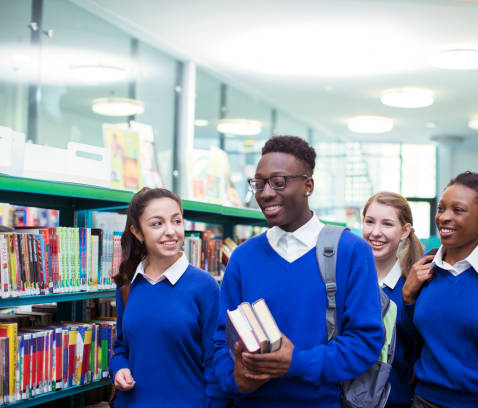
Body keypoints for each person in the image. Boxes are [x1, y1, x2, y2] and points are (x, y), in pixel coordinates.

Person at [212, 135, 384, 407]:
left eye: (278, 182)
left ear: (308, 185)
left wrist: (297, 363)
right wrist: (235, 379)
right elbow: (220, 341)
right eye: (259, 183)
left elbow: (366, 341)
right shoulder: (243, 257)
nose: (266, 193)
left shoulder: (351, 251)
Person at [402, 171, 478, 408]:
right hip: (423, 401)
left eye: (458, 210)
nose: (444, 218)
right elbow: (411, 342)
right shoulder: (426, 265)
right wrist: (408, 298)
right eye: (441, 209)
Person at [110, 187, 221, 408]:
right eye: (157, 223)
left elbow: (215, 361)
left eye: (176, 221)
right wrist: (119, 368)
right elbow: (121, 347)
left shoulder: (205, 286)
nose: (171, 231)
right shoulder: (128, 285)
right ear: (138, 232)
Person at [362, 192, 424, 408]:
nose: (375, 232)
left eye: (387, 224)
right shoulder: (349, 281)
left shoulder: (413, 287)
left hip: (397, 401)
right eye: (369, 222)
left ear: (404, 231)